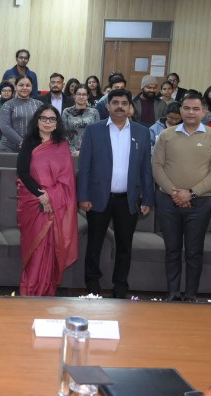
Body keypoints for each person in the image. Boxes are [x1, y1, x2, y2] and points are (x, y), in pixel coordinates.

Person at [152, 91, 211, 301]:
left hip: (200, 203)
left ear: (204, 112)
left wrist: (191, 193)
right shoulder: (166, 135)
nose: (191, 112)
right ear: (180, 110)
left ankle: (191, 295)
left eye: (196, 109)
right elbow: (157, 166)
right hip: (168, 201)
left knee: (194, 251)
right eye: (186, 108)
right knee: (172, 250)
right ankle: (172, 293)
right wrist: (175, 193)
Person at [77, 91, 154, 298]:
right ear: (108, 106)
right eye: (115, 102)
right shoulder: (94, 130)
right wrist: (83, 196)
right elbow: (84, 167)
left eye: (124, 103)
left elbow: (146, 167)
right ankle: (92, 287)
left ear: (130, 107)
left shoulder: (141, 132)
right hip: (97, 199)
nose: (120, 106)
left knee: (124, 247)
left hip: (128, 200)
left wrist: (148, 198)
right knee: (94, 246)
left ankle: (120, 288)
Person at [16, 105, 79, 296]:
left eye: (52, 119)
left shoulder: (62, 146)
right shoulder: (29, 143)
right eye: (43, 118)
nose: (47, 122)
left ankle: (46, 291)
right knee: (35, 248)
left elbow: (68, 179)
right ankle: (30, 289)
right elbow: (22, 172)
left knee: (52, 247)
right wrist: (41, 195)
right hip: (33, 203)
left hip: (56, 205)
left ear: (57, 123)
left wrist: (51, 196)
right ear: (37, 121)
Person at [0, 74, 38, 152]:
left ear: (32, 87)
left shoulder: (39, 104)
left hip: (32, 147)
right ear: (15, 87)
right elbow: (5, 127)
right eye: (21, 85)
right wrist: (23, 143)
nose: (24, 88)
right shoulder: (8, 105)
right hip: (8, 148)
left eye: (28, 85)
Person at [62, 85, 99, 155]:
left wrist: (87, 151)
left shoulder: (94, 112)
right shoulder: (66, 112)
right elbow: (64, 134)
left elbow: (97, 134)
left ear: (88, 96)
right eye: (78, 94)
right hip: (71, 152)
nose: (81, 97)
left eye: (84, 94)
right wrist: (73, 151)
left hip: (90, 152)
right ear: (74, 96)